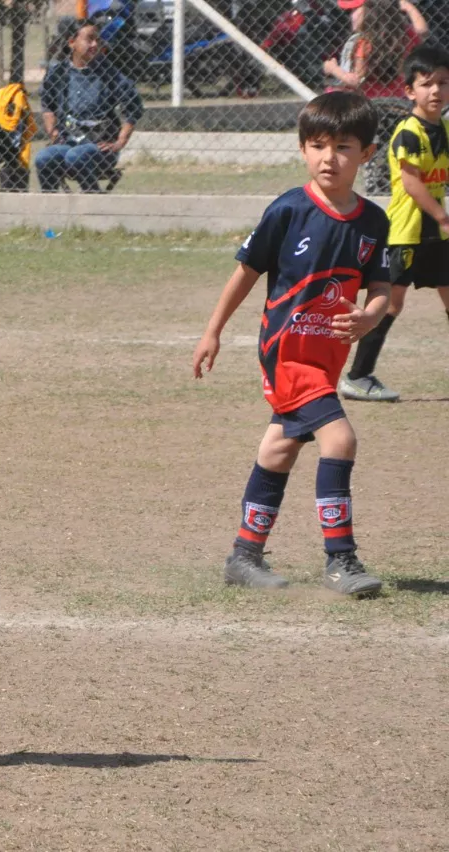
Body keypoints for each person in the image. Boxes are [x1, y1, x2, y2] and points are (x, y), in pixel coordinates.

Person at [193, 92, 392, 597]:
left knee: (279, 449)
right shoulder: (288, 209)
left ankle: (243, 556)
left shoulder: (373, 222)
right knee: (340, 439)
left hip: (326, 357)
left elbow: (382, 286)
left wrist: (371, 314)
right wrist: (213, 330)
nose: (330, 157)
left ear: (367, 153)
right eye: (318, 145)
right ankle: (341, 561)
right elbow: (246, 272)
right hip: (286, 353)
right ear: (303, 149)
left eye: (344, 146)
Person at [341, 44, 449, 401]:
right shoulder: (409, 131)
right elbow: (412, 182)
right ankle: (358, 376)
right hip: (408, 232)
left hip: (435, 233)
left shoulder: (443, 129)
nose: (436, 91)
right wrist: (442, 216)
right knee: (390, 303)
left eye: (444, 83)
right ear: (409, 91)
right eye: (427, 84)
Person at [323, 0, 429, 193]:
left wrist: (332, 68)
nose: (352, 15)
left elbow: (356, 80)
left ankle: (371, 179)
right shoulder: (404, 36)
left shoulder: (364, 41)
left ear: (370, 13)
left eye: (356, 10)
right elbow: (422, 31)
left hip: (370, 105)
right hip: (399, 103)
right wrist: (408, 6)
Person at [36, 19, 143, 193]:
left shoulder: (110, 74)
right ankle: (51, 207)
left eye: (98, 40)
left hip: (100, 146)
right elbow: (47, 101)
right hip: (69, 142)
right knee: (43, 158)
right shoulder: (59, 72)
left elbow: (133, 107)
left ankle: (93, 198)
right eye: (89, 39)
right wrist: (52, 129)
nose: (95, 44)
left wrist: (119, 142)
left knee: (76, 156)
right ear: (72, 42)